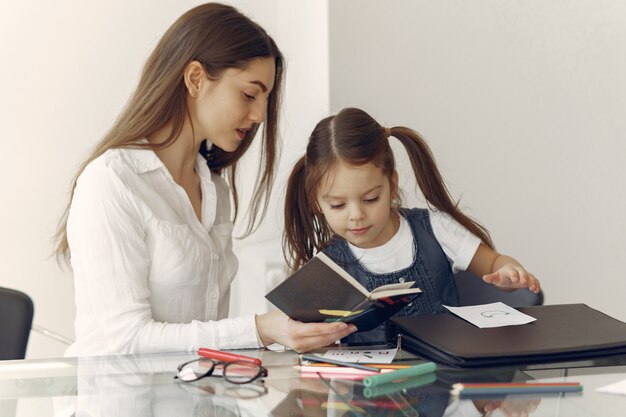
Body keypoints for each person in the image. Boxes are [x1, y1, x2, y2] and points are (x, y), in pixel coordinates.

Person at [55, 3, 355, 357]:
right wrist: (261, 329)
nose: (259, 115)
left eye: (265, 98)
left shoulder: (215, 190)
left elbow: (204, 336)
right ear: (196, 79)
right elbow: (126, 339)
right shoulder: (112, 182)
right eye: (248, 94)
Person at [283, 107, 541, 344]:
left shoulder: (434, 229)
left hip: (443, 380)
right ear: (316, 202)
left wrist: (508, 272)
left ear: (392, 186)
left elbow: (493, 263)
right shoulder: (327, 268)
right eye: (337, 205)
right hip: (366, 390)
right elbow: (313, 341)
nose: (356, 215)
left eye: (371, 199)